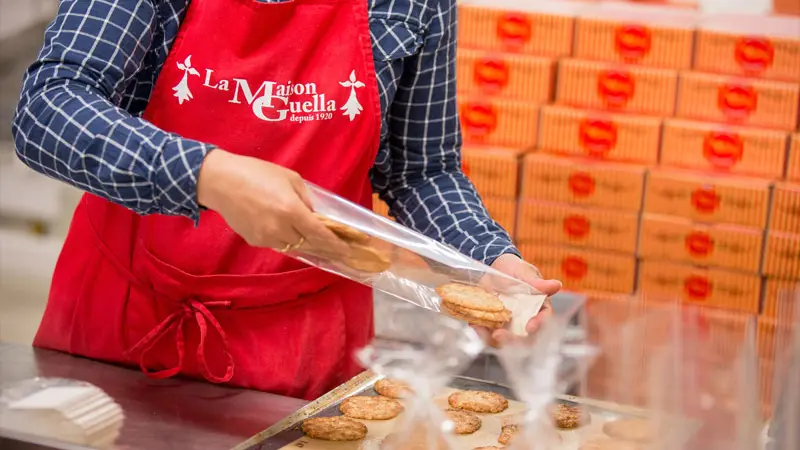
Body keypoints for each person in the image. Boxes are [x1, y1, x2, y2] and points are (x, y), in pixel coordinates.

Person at [12, 0, 561, 400]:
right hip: (127, 321)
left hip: (304, 342)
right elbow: (48, 110)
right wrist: (210, 175)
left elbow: (421, 169)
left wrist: (485, 261)